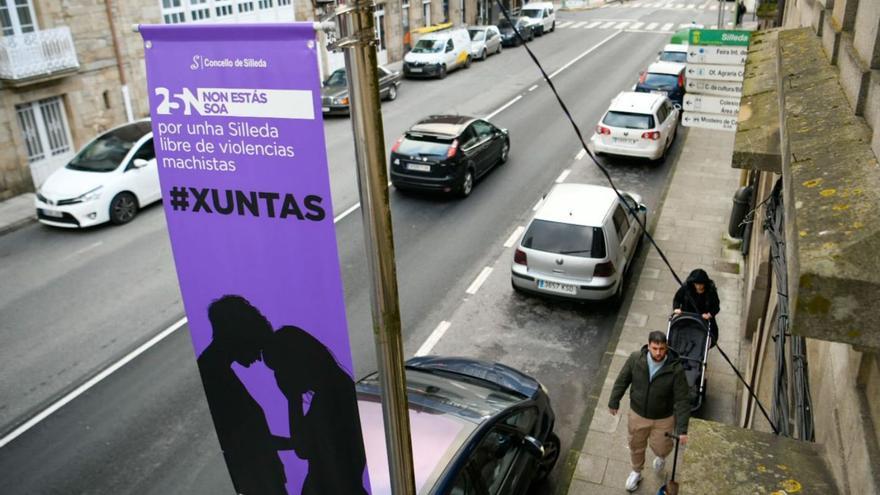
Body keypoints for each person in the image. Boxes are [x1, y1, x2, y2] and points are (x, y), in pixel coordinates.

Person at [197, 295, 289, 495]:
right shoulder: (214, 376)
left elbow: (251, 437)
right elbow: (244, 442)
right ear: (241, 336)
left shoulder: (216, 370)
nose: (258, 357)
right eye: (257, 346)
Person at [263, 325, 368, 495]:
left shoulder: (329, 397)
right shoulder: (335, 387)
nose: (278, 377)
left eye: (279, 369)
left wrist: (293, 399)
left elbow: (304, 448)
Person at [608, 331, 690, 492]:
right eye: (655, 348)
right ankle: (636, 472)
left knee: (662, 447)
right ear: (648, 345)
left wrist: (682, 429)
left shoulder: (676, 369)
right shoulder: (635, 359)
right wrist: (614, 400)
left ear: (666, 347)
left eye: (662, 349)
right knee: (636, 445)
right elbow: (622, 380)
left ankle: (660, 457)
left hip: (663, 418)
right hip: (638, 414)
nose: (658, 353)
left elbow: (682, 400)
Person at [672, 268, 721, 346]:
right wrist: (676, 308)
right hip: (688, 316)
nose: (698, 286)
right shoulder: (686, 289)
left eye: (701, 284)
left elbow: (716, 307)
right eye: (696, 284)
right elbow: (677, 299)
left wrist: (709, 314)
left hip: (703, 319)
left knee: (707, 339)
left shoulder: (711, 292)